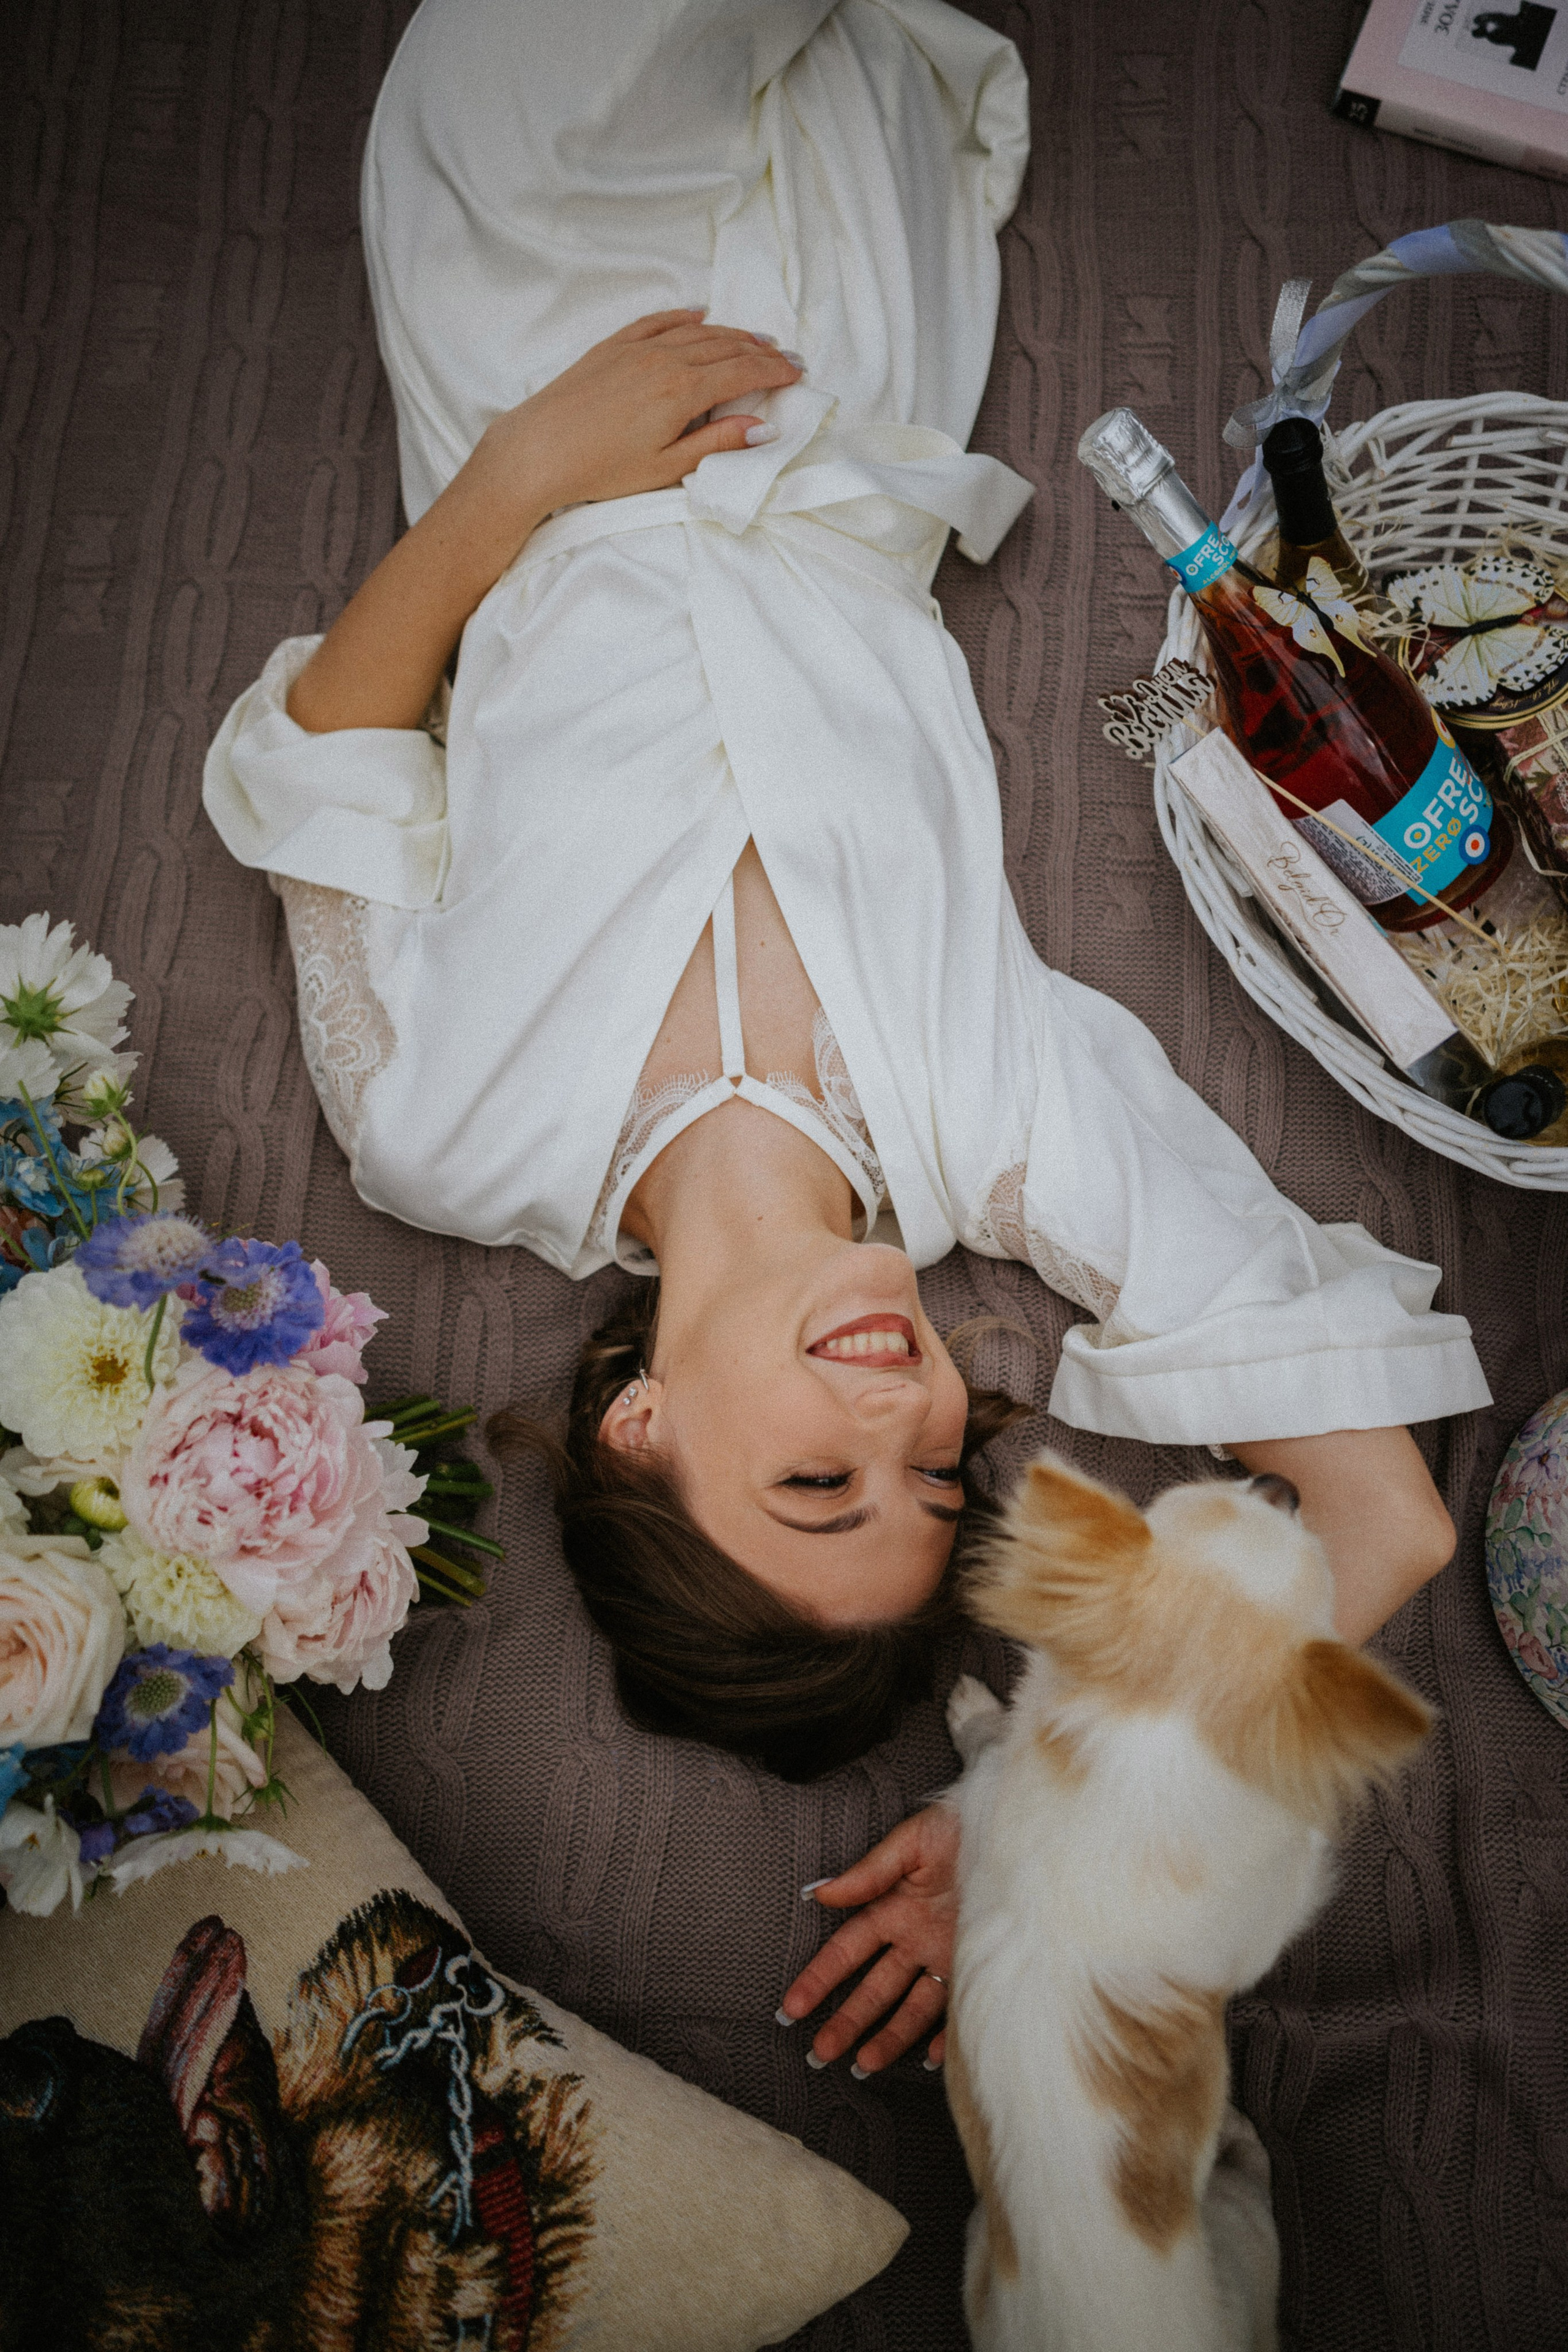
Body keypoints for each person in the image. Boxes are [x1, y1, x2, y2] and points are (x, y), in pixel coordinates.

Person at [203, 0, 1486, 2078]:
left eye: (818, 1485)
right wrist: (1051, 1831)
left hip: (541, 362)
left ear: (638, 1431)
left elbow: (324, 758)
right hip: (850, 357)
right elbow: (1390, 1521)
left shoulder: (445, 1134)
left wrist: (526, 472)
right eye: (934, 1472)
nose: (904, 1418)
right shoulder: (996, 1119)